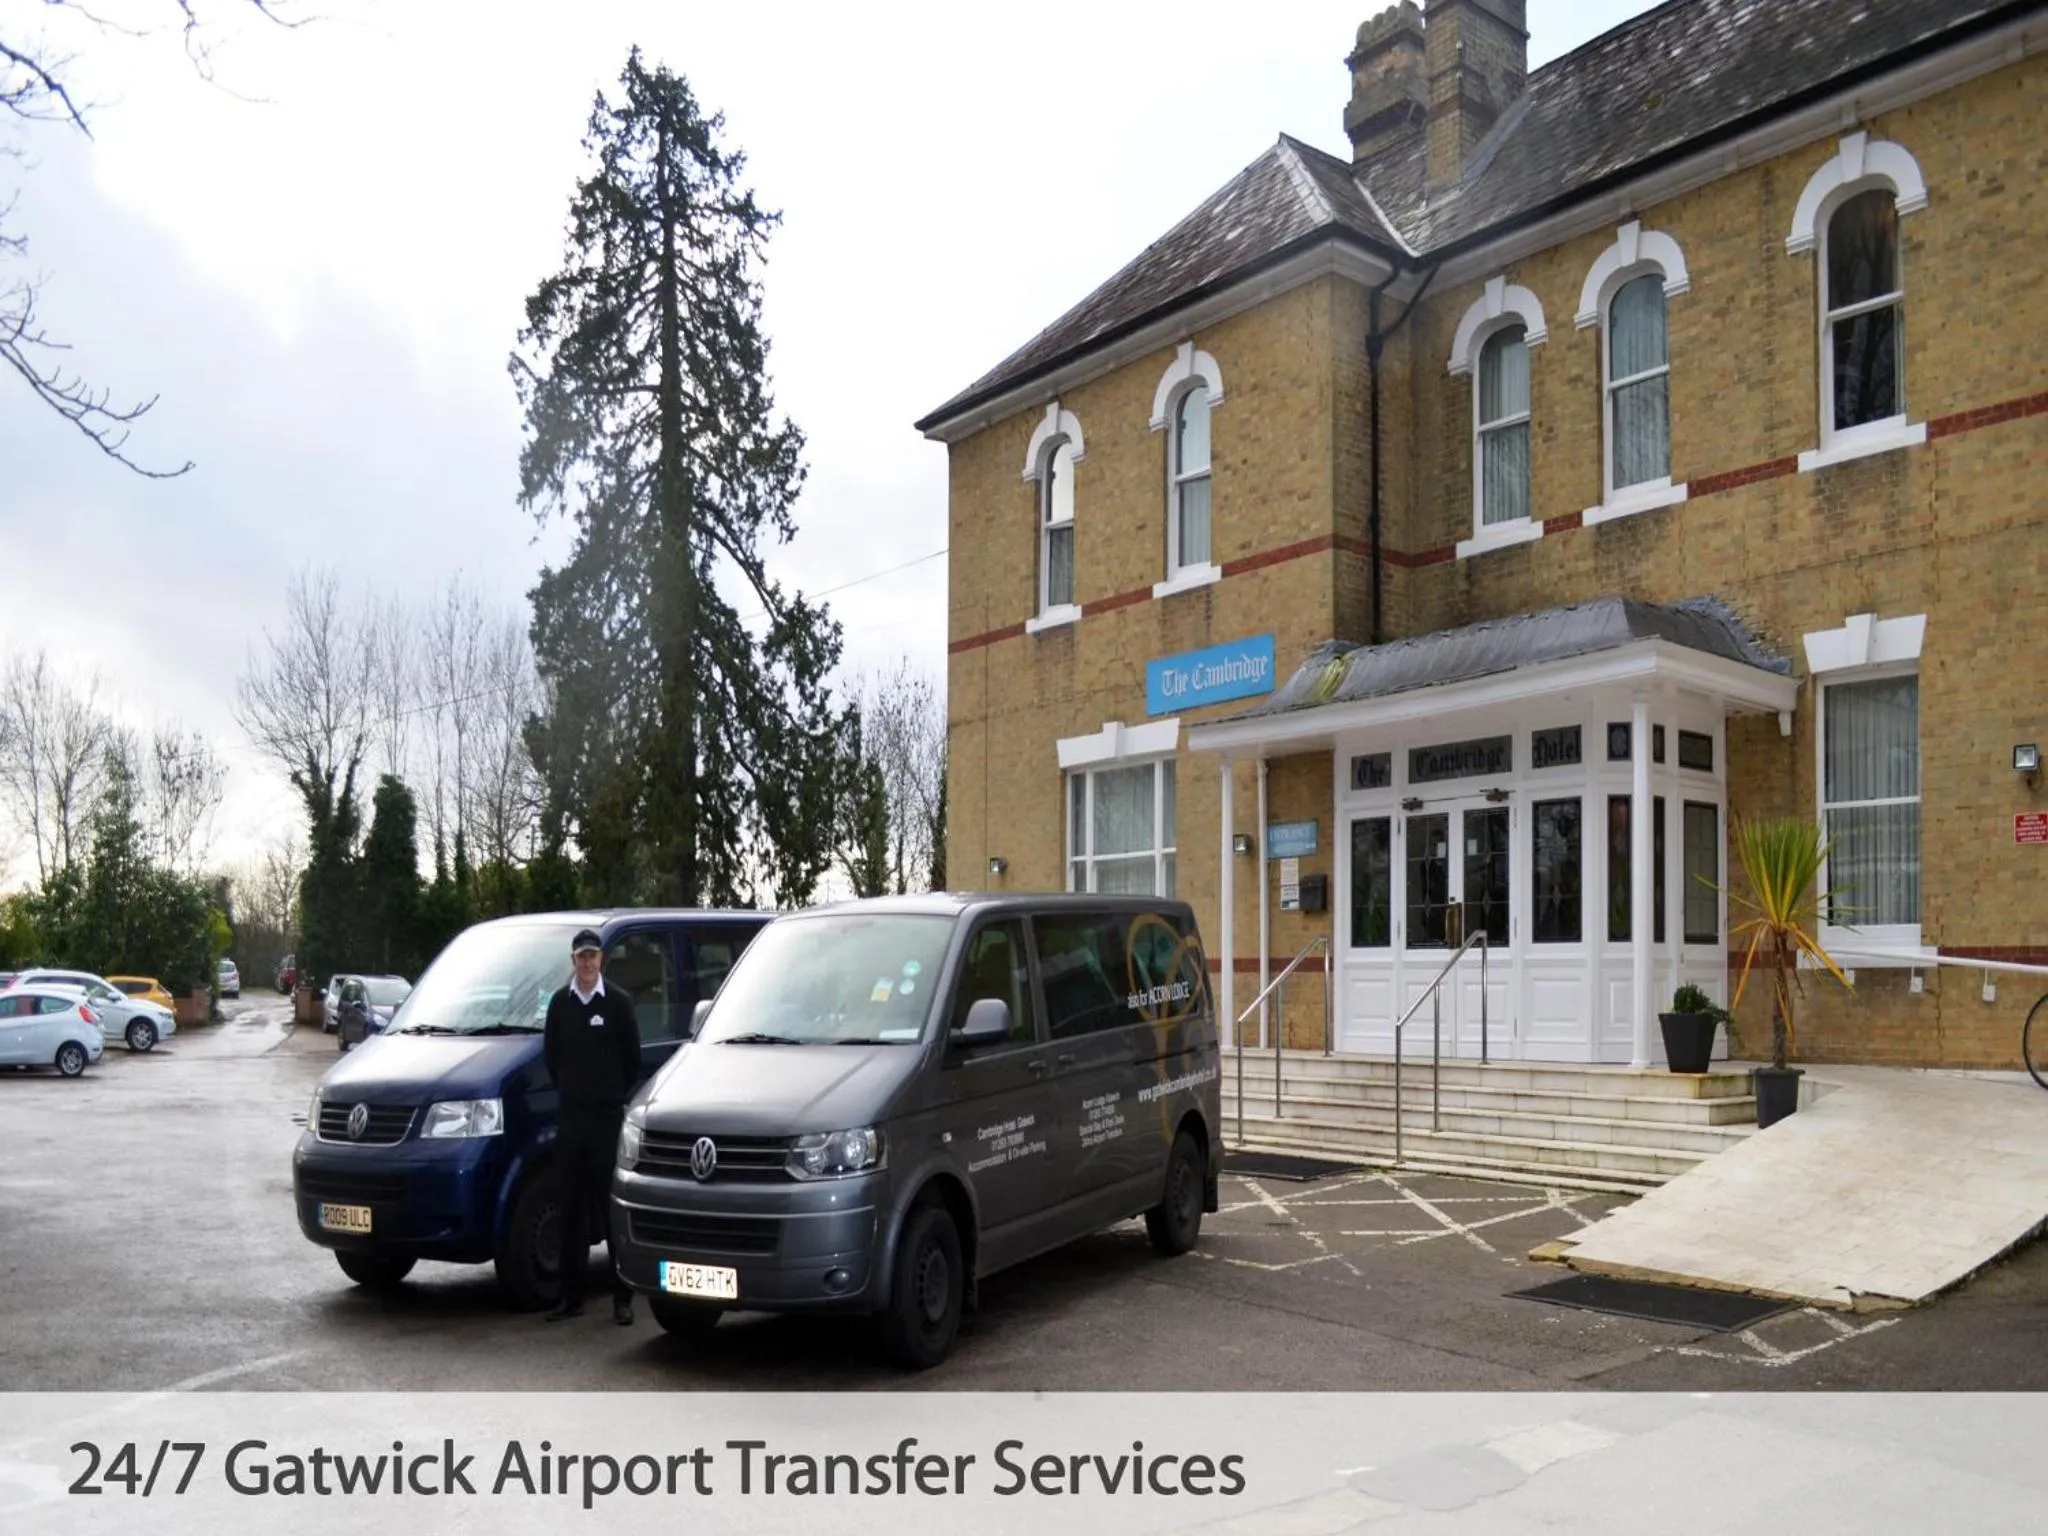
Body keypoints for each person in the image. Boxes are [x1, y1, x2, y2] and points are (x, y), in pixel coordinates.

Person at [541, 928, 642, 1324]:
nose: (586, 963)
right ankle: (571, 1297)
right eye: (580, 957)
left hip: (605, 1120)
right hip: (571, 1119)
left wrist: (609, 1093)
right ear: (573, 961)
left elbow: (632, 1059)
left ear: (601, 960)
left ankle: (622, 1299)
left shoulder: (618, 1003)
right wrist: (572, 1090)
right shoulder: (559, 1004)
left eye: (592, 956)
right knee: (570, 1210)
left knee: (609, 1207)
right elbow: (552, 1058)